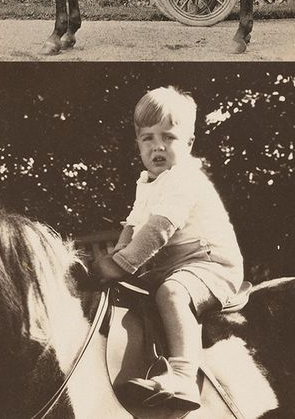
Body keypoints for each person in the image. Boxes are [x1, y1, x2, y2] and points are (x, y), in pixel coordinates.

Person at [93, 87, 243, 411]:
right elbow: (133, 227)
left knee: (172, 293)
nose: (157, 145)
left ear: (188, 143)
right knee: (130, 293)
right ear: (138, 144)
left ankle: (184, 377)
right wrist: (116, 260)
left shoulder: (184, 177)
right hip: (175, 265)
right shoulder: (146, 182)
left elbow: (159, 228)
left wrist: (120, 264)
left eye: (168, 137)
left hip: (211, 263)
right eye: (147, 138)